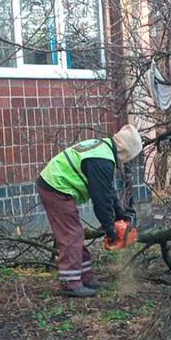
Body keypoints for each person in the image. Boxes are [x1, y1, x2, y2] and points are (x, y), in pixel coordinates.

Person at [37, 125, 142, 297]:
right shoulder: (102, 160)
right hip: (55, 186)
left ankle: (85, 277)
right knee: (72, 234)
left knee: (75, 233)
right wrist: (110, 229)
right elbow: (100, 200)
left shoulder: (103, 149)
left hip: (58, 185)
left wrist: (120, 213)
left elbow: (108, 191)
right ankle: (70, 283)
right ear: (126, 152)